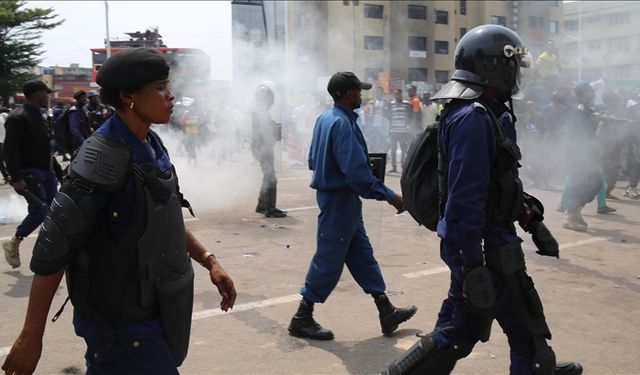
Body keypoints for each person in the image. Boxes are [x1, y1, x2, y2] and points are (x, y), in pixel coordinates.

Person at [1, 48, 237, 374]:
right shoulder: (102, 159)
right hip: (120, 325)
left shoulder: (151, 144)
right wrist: (31, 335)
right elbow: (55, 246)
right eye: (159, 88)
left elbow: (160, 219)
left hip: (152, 311)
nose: (170, 96)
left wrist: (210, 261)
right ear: (128, 97)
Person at [383, 25, 582, 375]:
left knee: (519, 322)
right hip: (483, 246)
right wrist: (472, 265)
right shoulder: (473, 118)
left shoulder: (490, 112)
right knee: (462, 331)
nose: (518, 73)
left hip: (492, 239)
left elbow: (499, 182)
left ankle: (537, 366)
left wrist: (532, 221)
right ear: (494, 67)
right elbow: (464, 198)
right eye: (513, 65)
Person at [288, 71, 417, 341]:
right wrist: (391, 196)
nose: (362, 95)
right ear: (348, 94)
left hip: (338, 198)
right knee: (328, 258)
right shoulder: (343, 125)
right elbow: (357, 176)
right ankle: (302, 317)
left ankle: (386, 310)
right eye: (359, 91)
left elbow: (313, 160)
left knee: (362, 255)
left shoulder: (325, 119)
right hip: (339, 200)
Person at [2, 80, 63, 268]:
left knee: (54, 212)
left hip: (47, 172)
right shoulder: (17, 117)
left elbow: (46, 149)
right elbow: (10, 152)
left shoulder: (40, 117)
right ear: (37, 94)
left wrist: (59, 173)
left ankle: (50, 249)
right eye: (46, 93)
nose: (48, 97)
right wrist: (16, 178)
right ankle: (13, 241)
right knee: (40, 211)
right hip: (30, 173)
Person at [251, 84, 287, 218]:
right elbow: (263, 132)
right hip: (263, 148)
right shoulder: (261, 112)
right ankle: (270, 208)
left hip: (262, 148)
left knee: (268, 176)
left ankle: (261, 205)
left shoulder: (260, 111)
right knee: (271, 178)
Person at [388, 89, 412, 173]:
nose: (397, 96)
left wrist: (409, 127)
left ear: (401, 95)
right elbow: (389, 117)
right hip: (393, 131)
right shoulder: (391, 104)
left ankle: (403, 166)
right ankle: (394, 166)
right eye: (395, 94)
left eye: (398, 94)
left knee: (403, 149)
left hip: (403, 131)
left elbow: (410, 117)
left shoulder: (406, 104)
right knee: (393, 149)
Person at [0, 96, 10, 183]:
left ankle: (8, 175)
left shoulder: (4, 115)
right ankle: (7, 176)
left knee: (6, 159)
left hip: (4, 141)